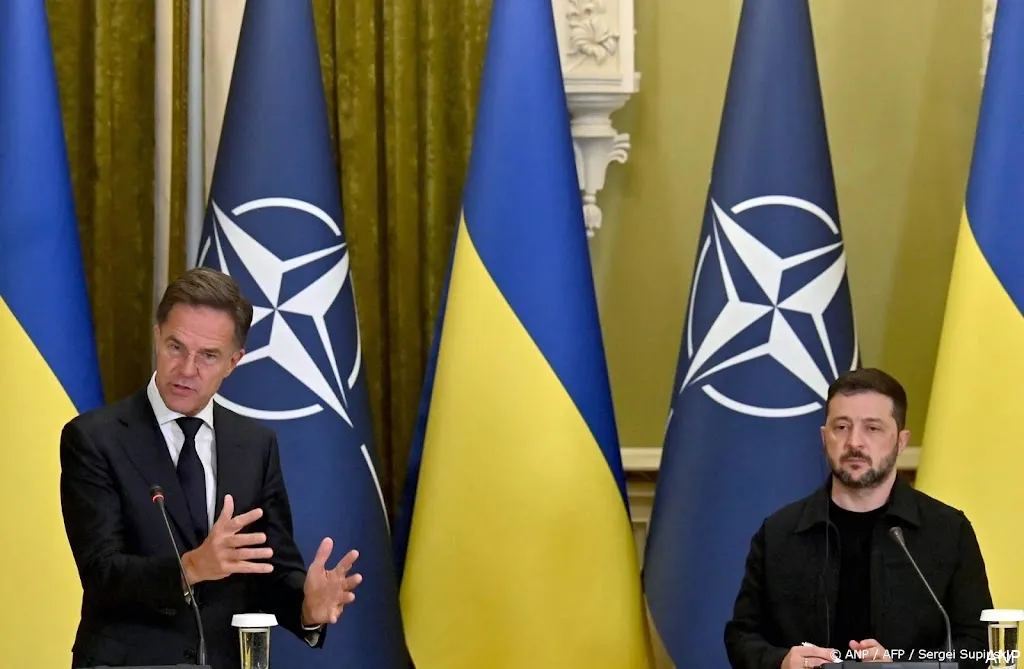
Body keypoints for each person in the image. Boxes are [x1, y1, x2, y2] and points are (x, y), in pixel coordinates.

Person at [60, 268, 363, 668]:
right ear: (157, 336)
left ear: (233, 362)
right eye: (176, 347)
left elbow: (269, 569)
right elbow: (102, 572)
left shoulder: (255, 446)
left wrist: (306, 608)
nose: (187, 369)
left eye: (208, 355)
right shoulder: (95, 438)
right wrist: (191, 567)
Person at [724, 368, 993, 669]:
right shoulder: (779, 533)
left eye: (872, 428)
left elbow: (980, 646)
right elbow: (741, 636)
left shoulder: (948, 532)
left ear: (901, 441)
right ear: (824, 437)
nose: (854, 442)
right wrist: (781, 662)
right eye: (841, 427)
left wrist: (902, 665)